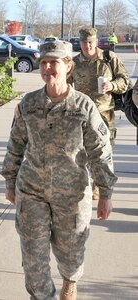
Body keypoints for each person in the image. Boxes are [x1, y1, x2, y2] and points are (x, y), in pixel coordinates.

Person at [1, 40, 117, 300]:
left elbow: (100, 151)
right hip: (32, 191)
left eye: (54, 62)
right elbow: (16, 143)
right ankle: (42, 296)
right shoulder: (29, 104)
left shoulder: (84, 106)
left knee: (71, 251)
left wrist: (106, 193)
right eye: (43, 62)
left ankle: (70, 280)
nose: (47, 67)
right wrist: (10, 181)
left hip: (72, 194)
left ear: (68, 66)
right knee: (33, 255)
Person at [69, 27, 128, 199]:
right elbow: (62, 85)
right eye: (84, 43)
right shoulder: (74, 63)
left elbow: (124, 79)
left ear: (96, 42)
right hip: (82, 115)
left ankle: (102, 187)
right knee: (83, 152)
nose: (87, 46)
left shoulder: (109, 59)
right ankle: (87, 184)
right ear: (79, 43)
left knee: (104, 152)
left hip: (104, 114)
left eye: (90, 42)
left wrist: (112, 85)